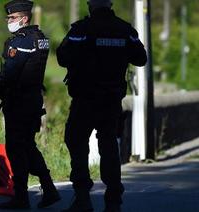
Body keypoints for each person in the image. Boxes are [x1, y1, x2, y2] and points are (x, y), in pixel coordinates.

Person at [57, 0, 147, 211]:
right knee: (109, 146)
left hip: (85, 99)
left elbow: (62, 57)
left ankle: (82, 197)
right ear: (110, 4)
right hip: (111, 100)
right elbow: (141, 58)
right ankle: (113, 198)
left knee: (76, 140)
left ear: (91, 6)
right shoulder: (125, 29)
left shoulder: (81, 29)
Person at [0, 0, 61, 209]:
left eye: (12, 18)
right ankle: (48, 188)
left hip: (19, 101)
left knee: (16, 147)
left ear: (24, 18)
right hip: (33, 99)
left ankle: (22, 197)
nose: (9, 21)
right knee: (27, 146)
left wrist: (1, 89)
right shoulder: (40, 38)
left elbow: (11, 72)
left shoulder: (20, 41)